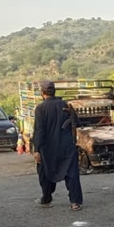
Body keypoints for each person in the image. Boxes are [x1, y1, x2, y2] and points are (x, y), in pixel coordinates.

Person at [33, 80, 83, 210]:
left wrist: (37, 149)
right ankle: (75, 202)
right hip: (67, 145)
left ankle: (46, 199)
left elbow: (39, 130)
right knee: (71, 173)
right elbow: (77, 122)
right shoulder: (65, 105)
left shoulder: (40, 108)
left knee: (44, 172)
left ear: (42, 93)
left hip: (48, 148)